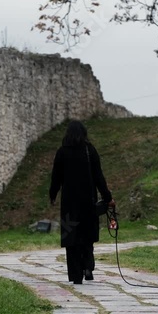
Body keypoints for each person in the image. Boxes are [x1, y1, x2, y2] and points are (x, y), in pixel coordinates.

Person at [49, 120, 114, 284]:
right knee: (87, 237)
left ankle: (76, 275)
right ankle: (88, 267)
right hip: (88, 203)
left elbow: (56, 177)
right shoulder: (89, 150)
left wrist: (53, 194)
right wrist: (107, 197)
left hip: (69, 204)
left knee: (71, 239)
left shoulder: (62, 152)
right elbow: (99, 177)